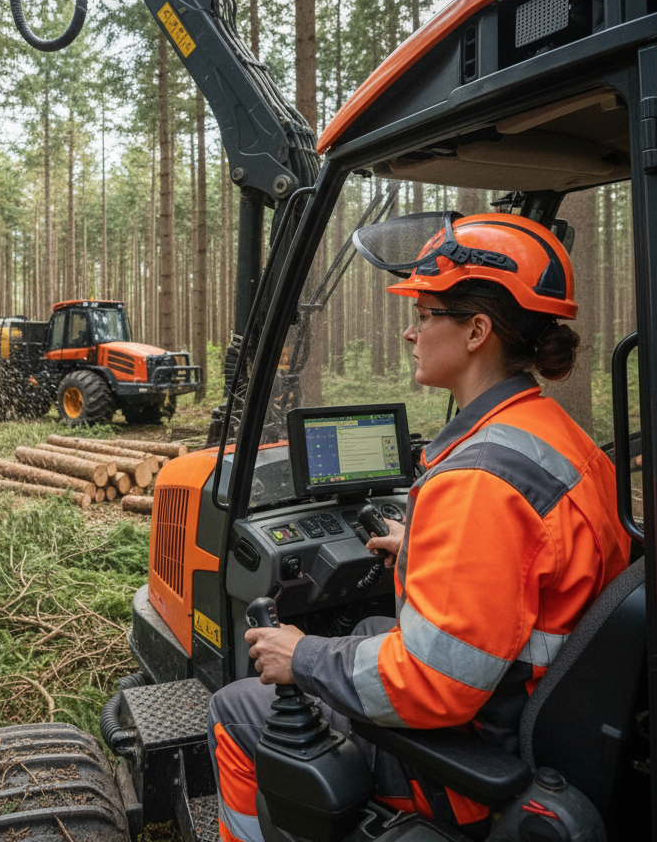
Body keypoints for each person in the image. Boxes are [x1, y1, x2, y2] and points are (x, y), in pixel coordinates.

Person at [207, 212, 632, 839]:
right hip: (544, 717)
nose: (410, 332)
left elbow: (436, 686)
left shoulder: (480, 482)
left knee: (237, 708)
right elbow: (539, 561)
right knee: (377, 626)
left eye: (426, 313)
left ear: (476, 331)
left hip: (475, 765)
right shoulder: (557, 439)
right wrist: (428, 547)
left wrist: (302, 654)